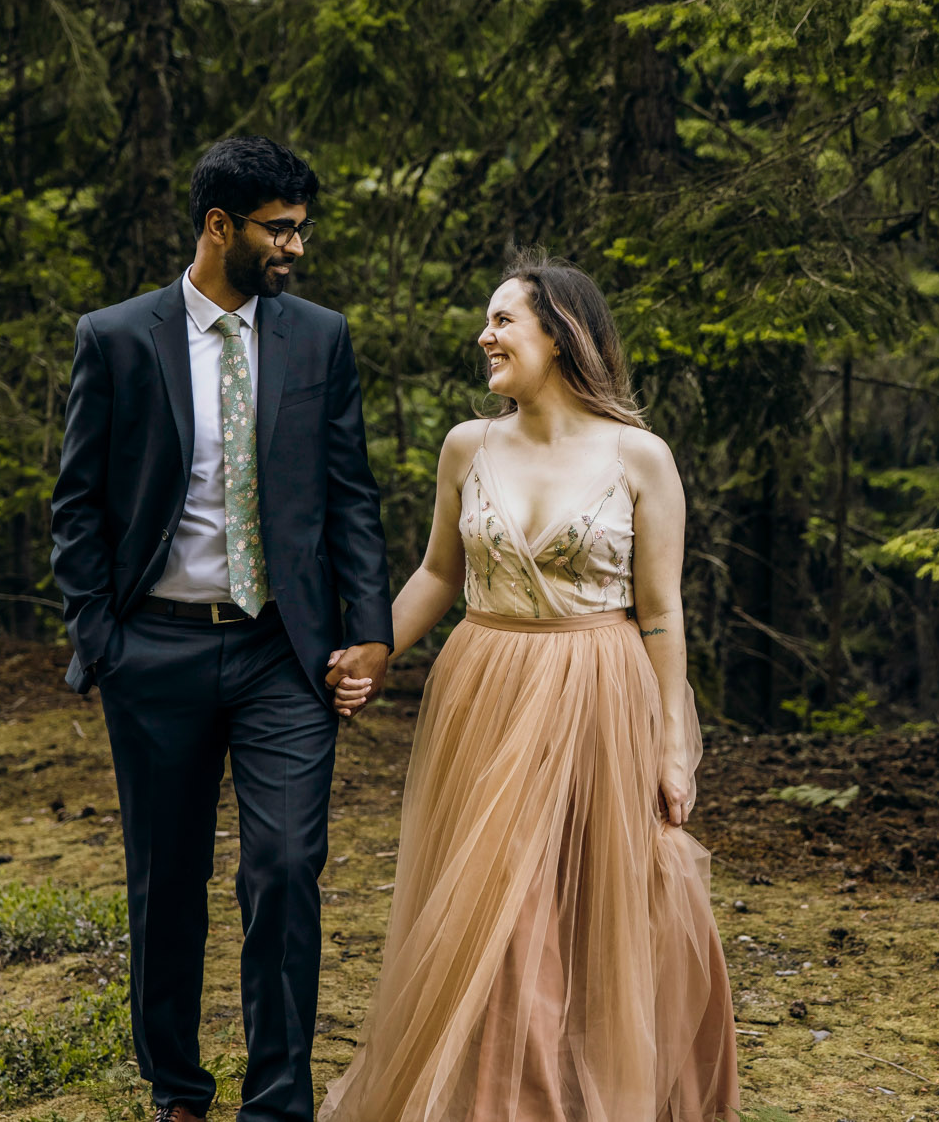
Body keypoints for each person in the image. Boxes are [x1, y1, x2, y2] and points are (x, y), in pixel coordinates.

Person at [316, 251, 738, 1122]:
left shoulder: (641, 458)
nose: (486, 334)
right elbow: (437, 572)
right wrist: (373, 648)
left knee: (594, 904)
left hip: (599, 689)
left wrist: (671, 743)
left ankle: (590, 1097)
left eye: (504, 319)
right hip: (487, 688)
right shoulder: (468, 446)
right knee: (498, 913)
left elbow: (660, 612)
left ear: (562, 333)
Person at [50, 135, 394, 1122]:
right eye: (277, 228)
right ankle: (177, 1092)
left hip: (281, 652)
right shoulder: (117, 336)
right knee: (167, 880)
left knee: (284, 866)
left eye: (298, 226)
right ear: (218, 226)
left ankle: (277, 1102)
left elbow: (349, 496)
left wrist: (364, 632)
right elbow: (75, 504)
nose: (294, 245)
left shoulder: (318, 337)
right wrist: (101, 639)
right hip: (151, 650)